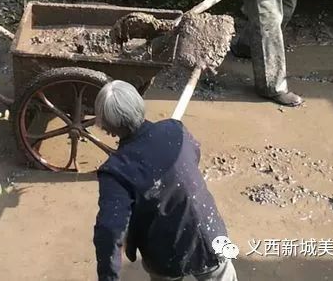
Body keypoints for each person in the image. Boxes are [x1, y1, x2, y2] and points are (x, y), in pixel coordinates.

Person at [93, 80, 237, 281]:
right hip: (209, 233)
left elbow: (110, 231)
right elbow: (194, 154)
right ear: (139, 106)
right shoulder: (175, 130)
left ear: (107, 126)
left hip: (164, 253)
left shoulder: (116, 171)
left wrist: (108, 277)